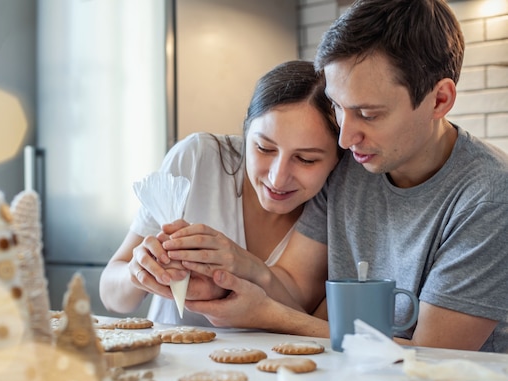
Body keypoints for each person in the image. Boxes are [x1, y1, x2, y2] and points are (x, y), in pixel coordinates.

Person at [181, 0, 508, 353]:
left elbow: (432, 354)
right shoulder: (355, 163)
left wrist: (269, 316)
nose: (344, 138)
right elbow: (292, 287)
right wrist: (226, 264)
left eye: (367, 114)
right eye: (337, 106)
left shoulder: (488, 197)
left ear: (439, 100)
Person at [99, 60, 341, 326]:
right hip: (171, 360)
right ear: (246, 131)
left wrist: (242, 266)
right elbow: (112, 297)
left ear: (339, 158)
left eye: (306, 159)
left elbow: (298, 314)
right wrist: (139, 273)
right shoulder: (198, 159)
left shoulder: (339, 200)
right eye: (264, 148)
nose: (277, 177)